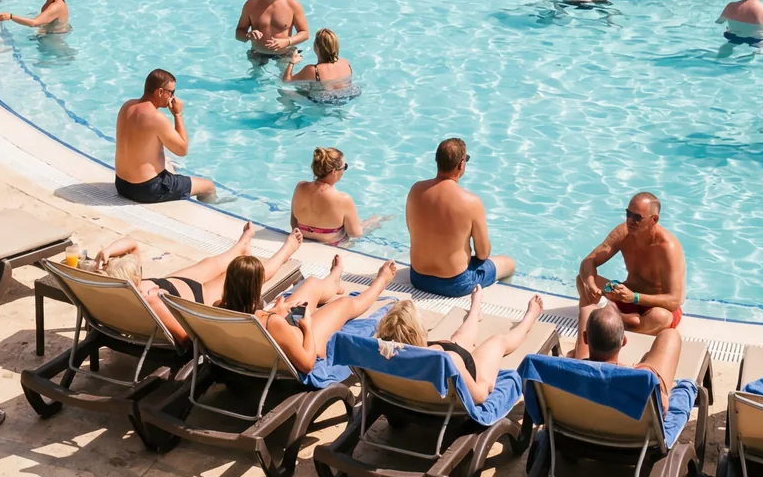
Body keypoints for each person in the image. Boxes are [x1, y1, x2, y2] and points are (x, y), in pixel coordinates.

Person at [223, 253, 400, 377]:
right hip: (307, 341)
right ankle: (381, 281)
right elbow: (307, 366)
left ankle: (333, 278)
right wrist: (307, 326)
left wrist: (275, 312)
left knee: (312, 284)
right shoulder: (272, 323)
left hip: (283, 332)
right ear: (254, 288)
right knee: (345, 304)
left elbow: (258, 323)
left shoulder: (221, 309)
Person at [373, 291, 545, 405]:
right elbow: (479, 396)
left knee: (456, 341)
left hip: (414, 391)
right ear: (418, 334)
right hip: (459, 387)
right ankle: (529, 319)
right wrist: (487, 383)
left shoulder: (381, 355)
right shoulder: (445, 359)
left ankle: (475, 311)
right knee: (498, 341)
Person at [405, 136, 516, 295]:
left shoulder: (416, 190)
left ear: (437, 161)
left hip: (417, 278)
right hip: (455, 284)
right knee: (509, 263)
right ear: (461, 164)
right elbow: (483, 253)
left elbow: (412, 230)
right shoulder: (471, 202)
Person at [576, 192, 687, 336]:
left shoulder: (668, 247)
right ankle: (618, 321)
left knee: (661, 317)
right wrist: (590, 285)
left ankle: (611, 320)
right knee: (582, 279)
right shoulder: (623, 233)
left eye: (637, 217)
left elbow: (675, 300)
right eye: (628, 214)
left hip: (655, 305)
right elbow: (589, 261)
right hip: (625, 296)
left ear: (654, 220)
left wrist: (634, 297)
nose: (630, 220)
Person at [114, 67, 215, 201]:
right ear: (160, 92)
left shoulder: (127, 106)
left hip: (122, 185)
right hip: (147, 190)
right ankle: (211, 208)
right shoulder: (157, 118)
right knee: (209, 186)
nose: (172, 97)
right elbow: (182, 149)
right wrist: (177, 114)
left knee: (167, 162)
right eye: (171, 92)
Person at [579, 297, 682, 392]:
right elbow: (663, 406)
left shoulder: (568, 371)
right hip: (636, 401)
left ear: (585, 338)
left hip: (583, 389)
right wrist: (644, 368)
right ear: (623, 341)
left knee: (587, 310)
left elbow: (586, 310)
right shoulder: (643, 381)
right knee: (671, 335)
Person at [291, 147, 381, 244]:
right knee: (375, 221)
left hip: (303, 237)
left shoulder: (300, 187)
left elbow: (293, 223)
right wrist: (369, 223)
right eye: (344, 167)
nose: (344, 171)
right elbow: (355, 234)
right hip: (333, 244)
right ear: (334, 172)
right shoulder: (343, 199)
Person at [235, 0, 309, 57]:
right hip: (258, 53)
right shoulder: (251, 5)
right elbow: (238, 34)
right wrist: (248, 36)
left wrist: (287, 41)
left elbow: (305, 33)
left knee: (288, 72)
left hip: (284, 53)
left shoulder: (292, 4)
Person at [282, 28, 353, 90]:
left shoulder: (313, 70)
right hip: (349, 95)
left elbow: (286, 81)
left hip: (322, 102)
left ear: (317, 48)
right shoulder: (345, 63)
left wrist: (292, 62)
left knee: (285, 91)